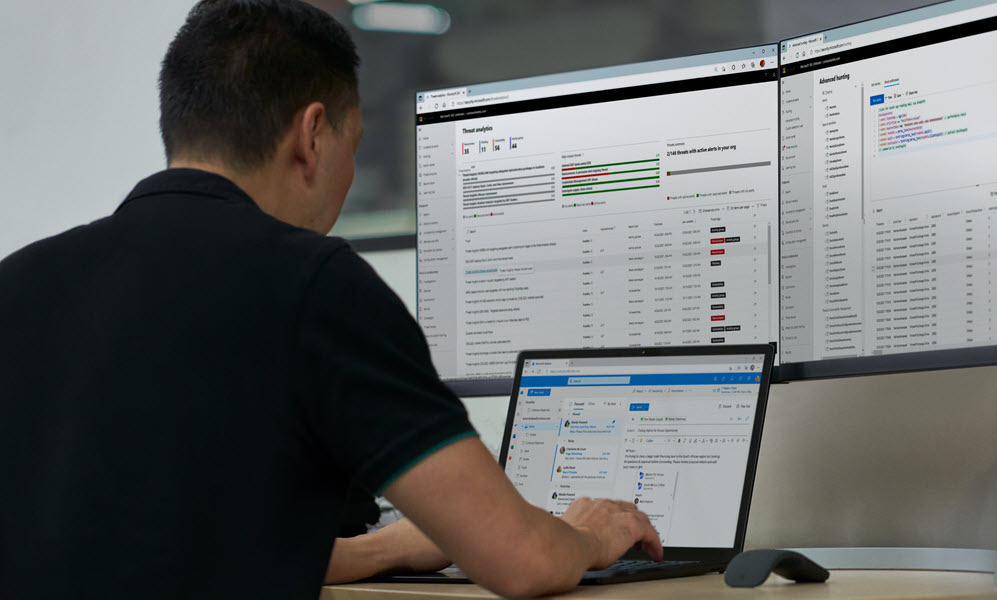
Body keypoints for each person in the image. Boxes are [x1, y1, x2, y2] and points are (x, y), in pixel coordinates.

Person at [0, 1, 661, 598]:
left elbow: (177, 551)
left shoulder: (20, 281)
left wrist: (384, 549)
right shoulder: (311, 283)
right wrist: (588, 534)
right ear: (312, 135)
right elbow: (521, 561)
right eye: (356, 144)